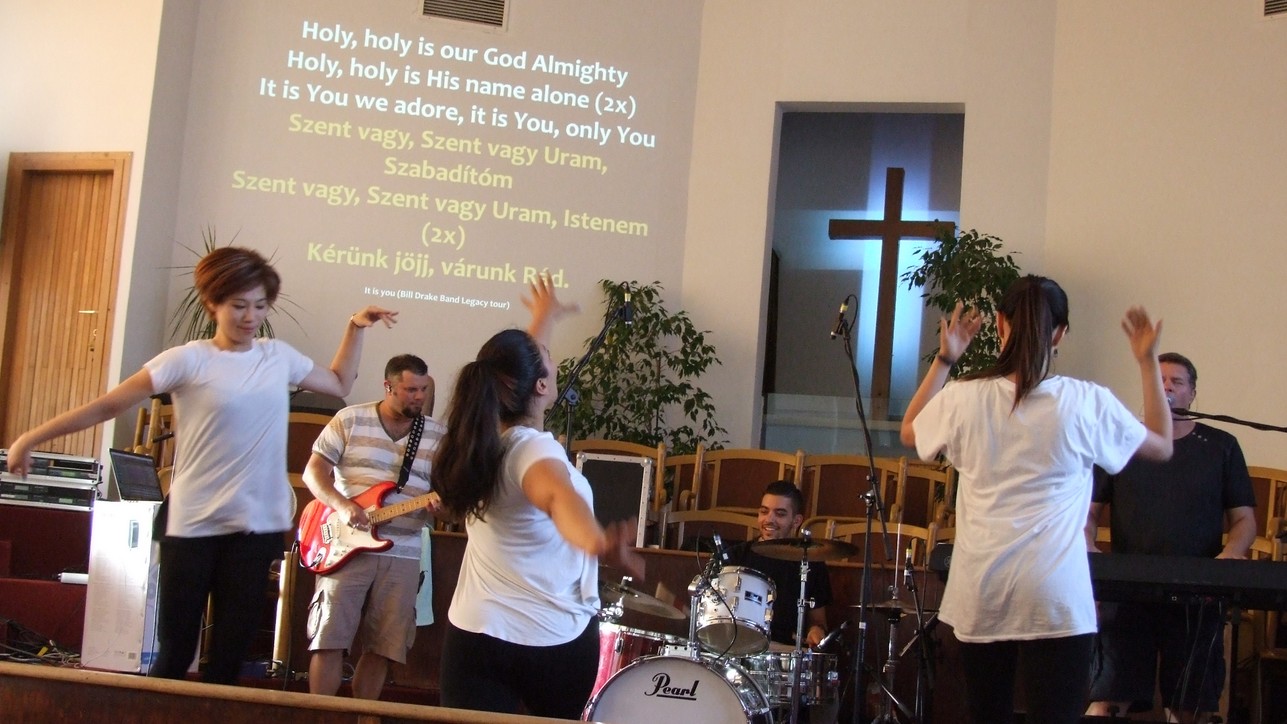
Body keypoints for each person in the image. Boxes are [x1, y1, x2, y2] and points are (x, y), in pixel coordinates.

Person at [5, 246, 396, 685]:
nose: (250, 317)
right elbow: (109, 405)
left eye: (260, 306)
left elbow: (339, 382)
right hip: (193, 522)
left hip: (254, 525)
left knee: (230, 656)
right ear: (213, 303)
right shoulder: (187, 359)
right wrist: (31, 437)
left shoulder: (277, 356)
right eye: (239, 306)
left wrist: (355, 327)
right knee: (176, 650)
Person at [899, 274, 1173, 724]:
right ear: (1060, 333)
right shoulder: (1085, 401)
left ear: (999, 324)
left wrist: (946, 359)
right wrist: (1147, 362)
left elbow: (910, 431)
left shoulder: (964, 397)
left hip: (983, 590)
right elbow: (1162, 445)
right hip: (1055, 593)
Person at [431, 274, 645, 719]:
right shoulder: (533, 451)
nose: (552, 357)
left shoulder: (480, 441)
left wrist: (543, 317)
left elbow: (520, 366)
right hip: (552, 643)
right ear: (541, 387)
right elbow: (558, 499)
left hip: (475, 638)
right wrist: (596, 541)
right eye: (548, 357)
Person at [1085, 352, 1256, 722]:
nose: (1167, 388)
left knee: (1190, 706)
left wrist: (1232, 554)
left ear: (1192, 393)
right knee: (1107, 701)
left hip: (1198, 591)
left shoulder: (1221, 446)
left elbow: (1244, 519)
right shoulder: (1122, 441)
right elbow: (1089, 512)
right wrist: (1089, 549)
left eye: (1177, 382)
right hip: (1128, 592)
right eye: (1159, 381)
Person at [303, 354, 447, 699]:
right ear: (388, 387)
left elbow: (451, 498)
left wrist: (444, 506)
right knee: (329, 639)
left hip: (405, 550)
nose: (419, 397)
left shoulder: (439, 436)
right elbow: (313, 473)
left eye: (423, 390)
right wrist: (343, 506)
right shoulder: (350, 419)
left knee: (385, 647)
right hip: (344, 544)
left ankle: (362, 715)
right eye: (410, 390)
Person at [725, 479, 832, 650]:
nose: (769, 519)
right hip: (738, 648)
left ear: (796, 520)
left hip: (786, 654)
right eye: (764, 511)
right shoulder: (736, 556)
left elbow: (818, 621)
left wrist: (816, 631)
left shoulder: (812, 562)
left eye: (780, 514)